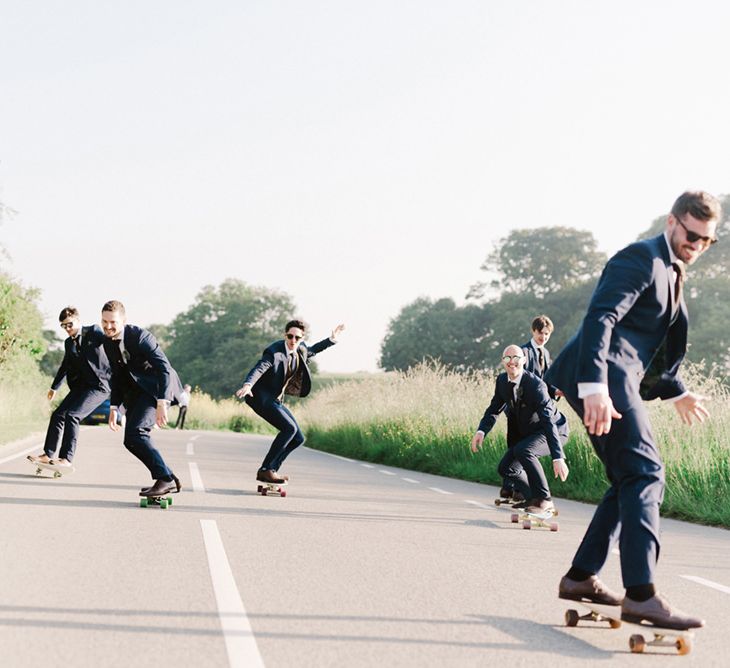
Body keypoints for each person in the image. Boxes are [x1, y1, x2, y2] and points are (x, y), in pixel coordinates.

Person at [547, 191, 720, 629]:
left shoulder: (672, 271)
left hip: (616, 377)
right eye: (692, 235)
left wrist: (676, 391)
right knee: (646, 473)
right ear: (672, 221)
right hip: (604, 376)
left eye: (706, 241)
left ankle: (581, 576)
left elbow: (649, 339)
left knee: (627, 477)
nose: (696, 246)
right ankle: (641, 595)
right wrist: (594, 388)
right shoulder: (641, 258)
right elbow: (601, 318)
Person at [235, 319, 345, 484]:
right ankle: (265, 469)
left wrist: (332, 339)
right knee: (289, 429)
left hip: (276, 400)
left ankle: (272, 469)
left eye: (297, 338)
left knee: (298, 438)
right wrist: (248, 384)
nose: (293, 340)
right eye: (290, 336)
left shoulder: (300, 349)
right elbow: (260, 367)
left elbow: (313, 349)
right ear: (285, 335)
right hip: (260, 398)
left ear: (302, 338)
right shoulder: (274, 352)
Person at [471, 344, 570, 513]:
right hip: (531, 433)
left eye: (516, 358)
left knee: (524, 450)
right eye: (508, 358)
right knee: (506, 468)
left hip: (554, 429)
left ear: (524, 360)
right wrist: (481, 431)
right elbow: (494, 409)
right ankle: (532, 498)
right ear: (503, 361)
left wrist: (558, 456)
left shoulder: (536, 385)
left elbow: (548, 421)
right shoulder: (502, 381)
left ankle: (545, 500)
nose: (512, 362)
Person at [100, 300, 184, 497]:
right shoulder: (107, 342)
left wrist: (162, 401)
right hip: (136, 392)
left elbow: (164, 368)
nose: (108, 326)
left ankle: (164, 479)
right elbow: (117, 375)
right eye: (104, 321)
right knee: (130, 440)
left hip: (156, 389)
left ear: (123, 321)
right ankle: (167, 475)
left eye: (113, 322)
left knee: (137, 432)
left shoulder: (140, 337)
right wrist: (114, 407)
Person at [27, 307, 111, 468]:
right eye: (63, 326)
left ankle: (66, 458)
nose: (67, 329)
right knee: (58, 414)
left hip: (100, 386)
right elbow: (65, 365)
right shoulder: (68, 343)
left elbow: (111, 343)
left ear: (78, 320)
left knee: (73, 415)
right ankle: (48, 454)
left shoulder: (93, 332)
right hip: (82, 386)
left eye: (69, 324)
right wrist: (54, 387)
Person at [521, 314, 561, 399]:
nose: (543, 337)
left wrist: (557, 392)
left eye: (546, 334)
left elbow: (545, 381)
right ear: (533, 331)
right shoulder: (522, 351)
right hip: (525, 403)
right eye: (540, 333)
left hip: (542, 401)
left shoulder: (546, 353)